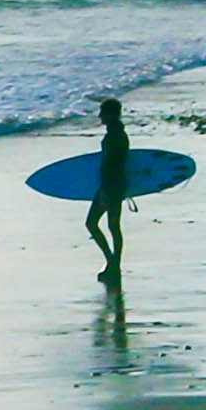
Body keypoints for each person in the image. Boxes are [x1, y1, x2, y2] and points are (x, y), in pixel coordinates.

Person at [85, 94, 138, 290]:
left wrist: (106, 190)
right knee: (113, 226)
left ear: (110, 114)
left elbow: (111, 166)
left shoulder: (114, 136)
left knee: (92, 223)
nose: (100, 115)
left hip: (110, 186)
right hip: (117, 185)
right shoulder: (118, 133)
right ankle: (114, 265)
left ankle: (113, 264)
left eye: (102, 112)